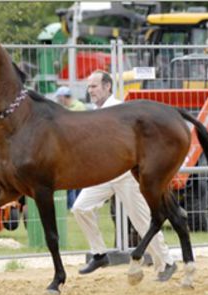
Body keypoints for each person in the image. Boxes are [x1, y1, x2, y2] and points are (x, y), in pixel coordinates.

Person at [71, 70, 177, 281]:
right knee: (80, 208)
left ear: (107, 86)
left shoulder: (119, 109)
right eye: (89, 87)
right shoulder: (93, 111)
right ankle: (99, 254)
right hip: (103, 174)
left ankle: (167, 263)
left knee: (142, 222)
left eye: (94, 86)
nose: (90, 90)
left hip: (126, 175)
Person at [55, 86, 86, 209]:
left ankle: (73, 204)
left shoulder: (78, 107)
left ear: (63, 97)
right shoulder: (67, 108)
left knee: (75, 178)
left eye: (59, 97)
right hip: (70, 147)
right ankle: (73, 204)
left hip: (78, 147)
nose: (58, 99)